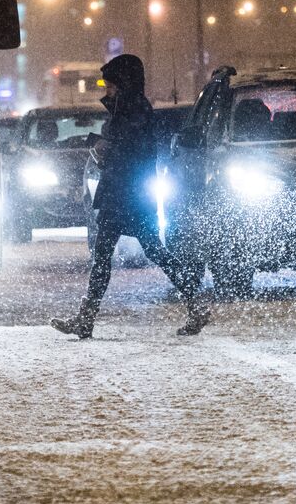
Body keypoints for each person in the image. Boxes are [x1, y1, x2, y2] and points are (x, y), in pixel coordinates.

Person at [50, 53, 210, 340]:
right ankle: (194, 304)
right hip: (128, 192)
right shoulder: (131, 108)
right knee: (142, 252)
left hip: (125, 193)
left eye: (110, 87)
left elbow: (128, 150)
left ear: (123, 84)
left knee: (111, 255)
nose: (106, 92)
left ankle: (87, 319)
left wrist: (99, 145)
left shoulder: (132, 109)